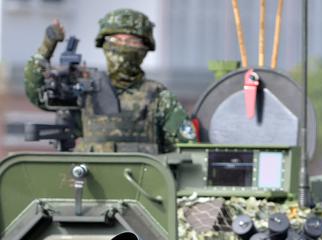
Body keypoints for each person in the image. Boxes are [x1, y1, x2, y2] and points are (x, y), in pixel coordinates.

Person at [24, 9, 196, 153]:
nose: (123, 47)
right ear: (104, 45)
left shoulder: (159, 97)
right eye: (116, 41)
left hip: (145, 190)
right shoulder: (83, 89)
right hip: (87, 186)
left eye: (131, 41)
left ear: (144, 47)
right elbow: (37, 92)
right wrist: (47, 47)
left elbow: (188, 151)